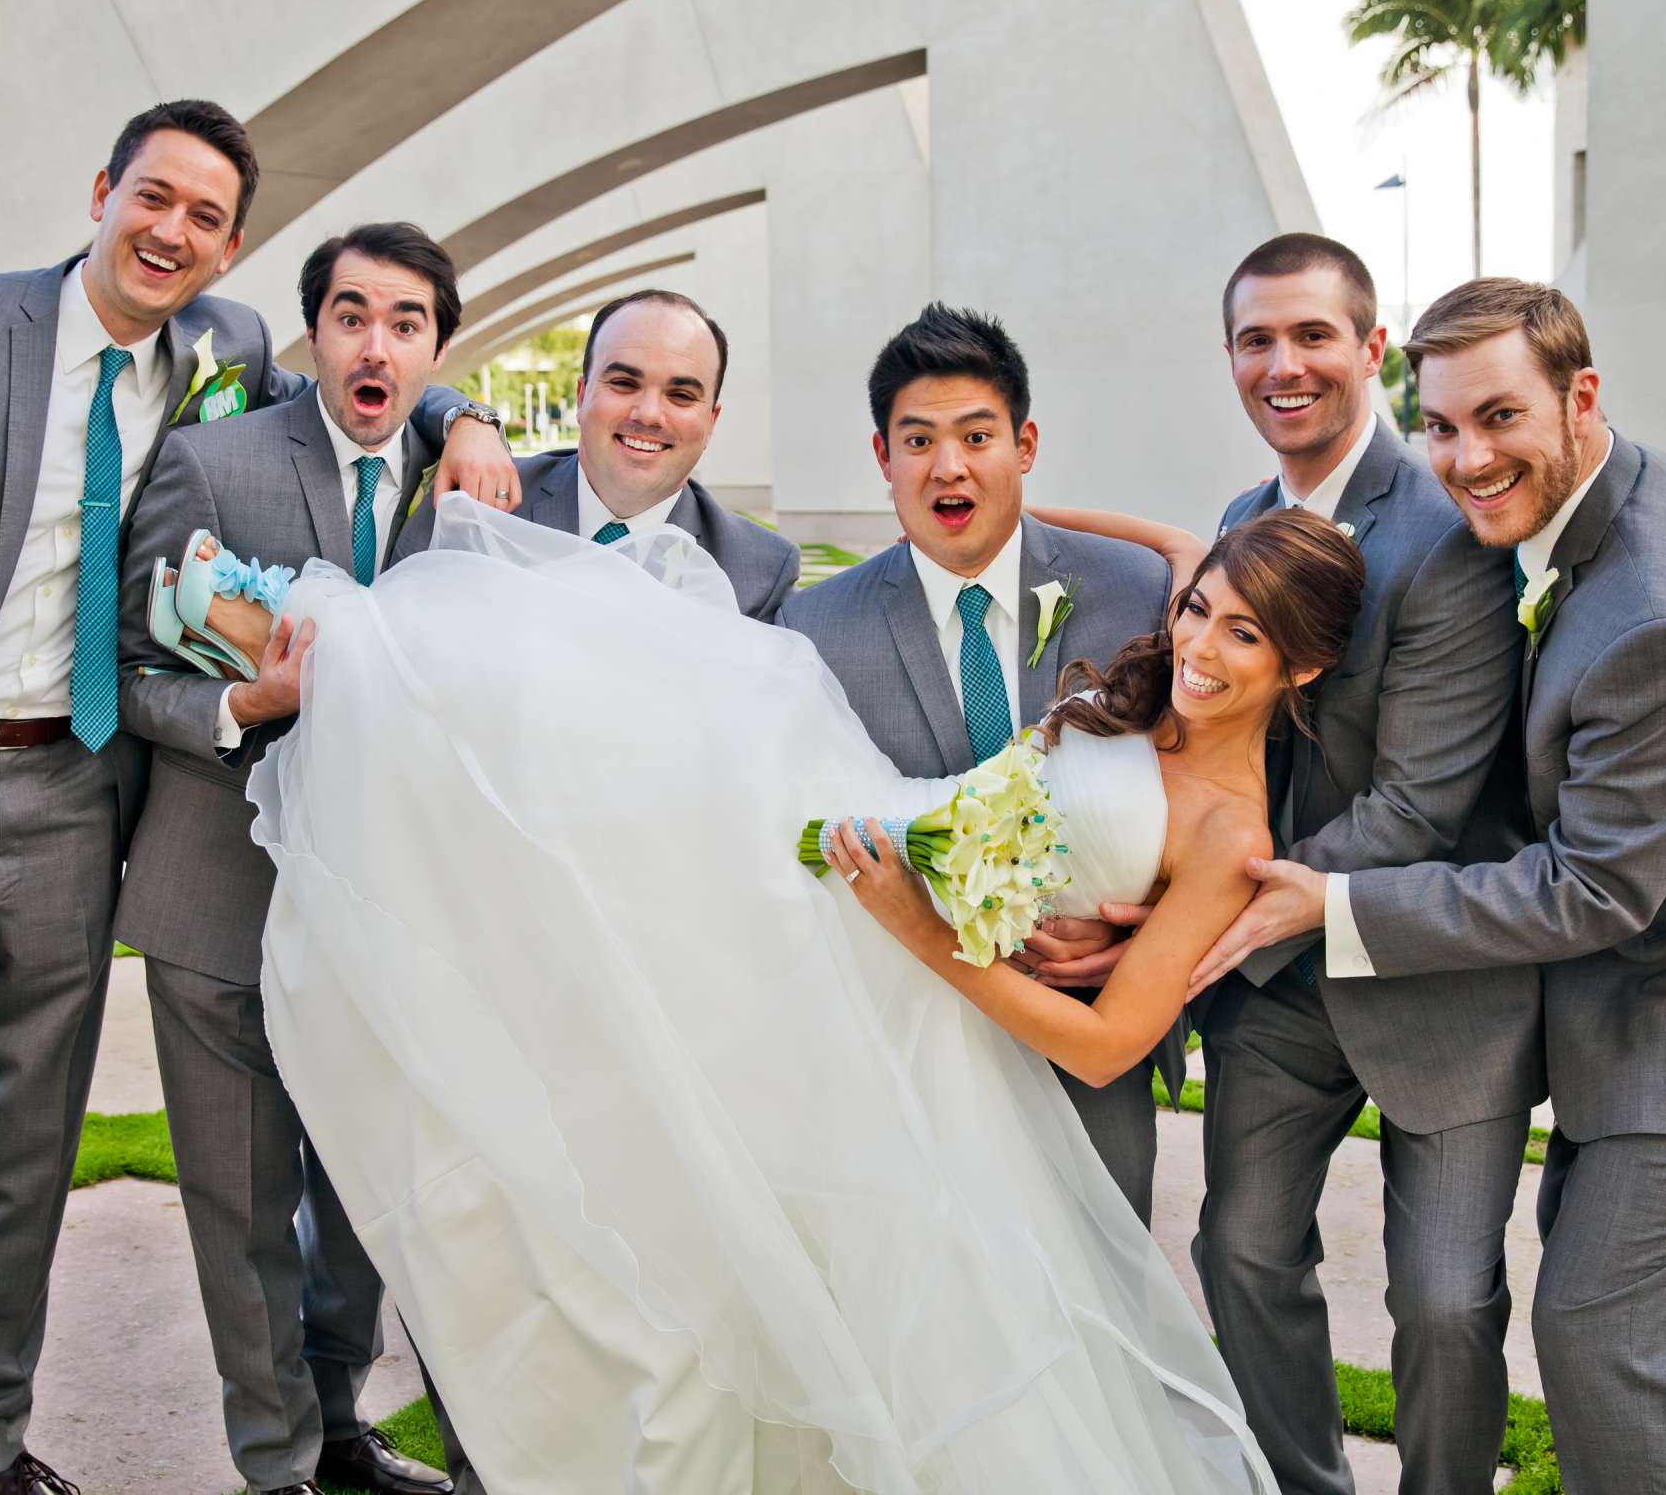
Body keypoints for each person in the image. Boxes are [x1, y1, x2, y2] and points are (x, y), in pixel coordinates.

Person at [153, 477, 1364, 1490]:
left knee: (622, 846)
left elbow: (1108, 1046)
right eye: (1201, 611)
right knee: (625, 731)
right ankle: (307, 639)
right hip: (872, 826)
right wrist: (1023, 509)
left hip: (900, 960)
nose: (1201, 645)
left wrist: (920, 931)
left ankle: (300, 640)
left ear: (1301, 667)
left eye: (1245, 635)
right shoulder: (1173, 645)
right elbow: (1166, 545)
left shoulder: (1226, 835)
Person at [0, 95, 514, 1495]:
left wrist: (461, 411)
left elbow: (369, 366)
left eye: (207, 218)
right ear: (102, 189)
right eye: (152, 197)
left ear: (231, 250)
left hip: (71, 802)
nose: (171, 231)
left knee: (23, 1157)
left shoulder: (219, 352)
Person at [1193, 278, 1666, 1493]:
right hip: (1654, 971)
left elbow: (1592, 889)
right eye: (1440, 426)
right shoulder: (1592, 504)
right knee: (1644, 1338)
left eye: (1500, 419)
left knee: (1605, 1334)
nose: (1467, 458)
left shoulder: (1660, 614)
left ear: (1581, 398)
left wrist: (1335, 906)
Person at [1042, 235, 1538, 1495]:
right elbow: (1195, 611)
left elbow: (1417, 810)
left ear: (1371, 350)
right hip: (1276, 994)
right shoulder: (1242, 518)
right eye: (1257, 339)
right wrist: (1031, 515)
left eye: (1313, 335)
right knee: (1242, 1256)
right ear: (1230, 360)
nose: (1285, 364)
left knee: (1441, 1304)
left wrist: (1180, 922)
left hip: (1431, 977)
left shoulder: (1447, 537)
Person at [119, 221, 511, 1495]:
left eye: (406, 322)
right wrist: (240, 709)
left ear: (436, 347)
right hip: (221, 898)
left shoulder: (472, 491)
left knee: (361, 1209)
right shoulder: (209, 461)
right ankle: (277, 1463)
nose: (376, 341)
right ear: (314, 334)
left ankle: (337, 1423)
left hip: (390, 918)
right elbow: (129, 666)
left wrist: (474, 420)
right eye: (351, 315)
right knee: (242, 1216)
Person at [778, 305, 1178, 1221]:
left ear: (1025, 443)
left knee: (1106, 1304)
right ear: (883, 459)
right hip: (908, 1040)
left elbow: (1202, 790)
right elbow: (798, 837)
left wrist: (1136, 925)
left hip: (1089, 1025)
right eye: (916, 440)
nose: (947, 466)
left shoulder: (1137, 594)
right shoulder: (813, 628)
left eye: (976, 435)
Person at [402, 288, 798, 619]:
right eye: (624, 383)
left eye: (680, 395)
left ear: (711, 421)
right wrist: (469, 420)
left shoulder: (759, 571)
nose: (648, 414)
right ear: (581, 396)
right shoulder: (478, 503)